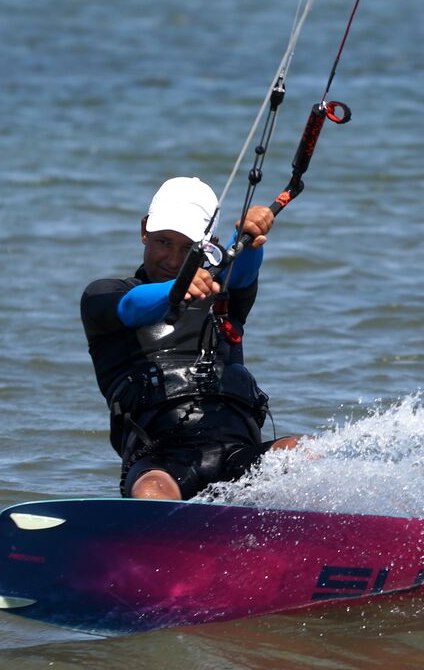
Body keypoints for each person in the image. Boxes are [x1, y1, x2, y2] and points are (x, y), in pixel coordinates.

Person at [80, 176, 277, 500]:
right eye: (163, 242)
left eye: (188, 248)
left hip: (240, 456)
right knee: (150, 491)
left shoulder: (222, 298)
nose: (172, 260)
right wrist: (175, 290)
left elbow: (240, 272)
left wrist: (250, 236)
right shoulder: (105, 296)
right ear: (145, 230)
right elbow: (132, 307)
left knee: (304, 453)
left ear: (209, 244)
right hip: (162, 463)